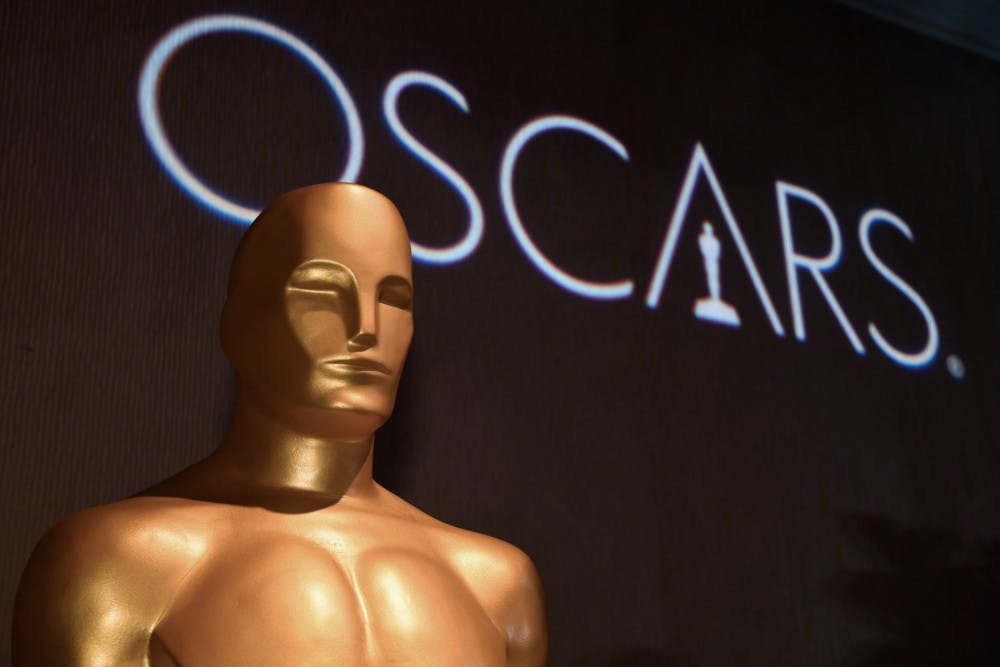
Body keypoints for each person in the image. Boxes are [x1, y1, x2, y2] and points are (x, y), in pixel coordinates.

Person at [13, 183, 547, 666]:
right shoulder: (115, 564)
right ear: (238, 325)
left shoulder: (497, 586)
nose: (367, 328)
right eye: (319, 290)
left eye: (393, 298)